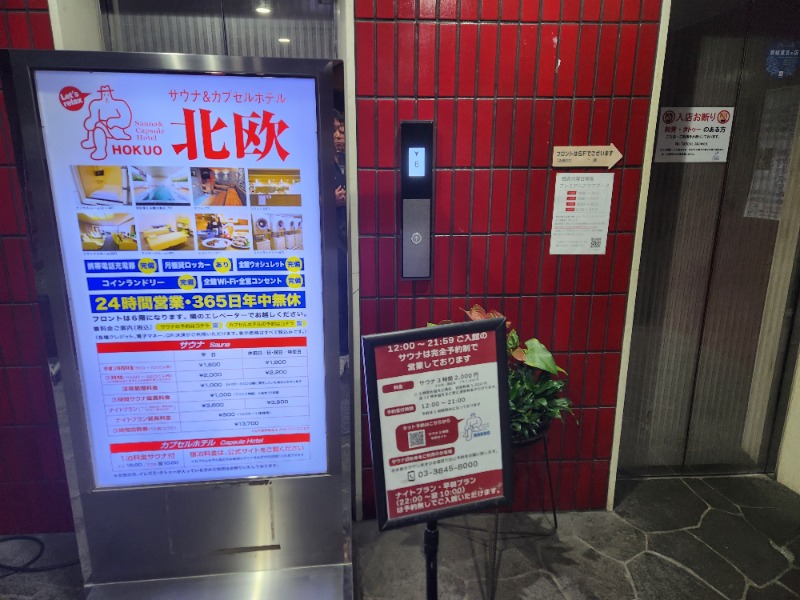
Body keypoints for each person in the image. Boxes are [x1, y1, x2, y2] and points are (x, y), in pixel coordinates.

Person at [333, 110, 349, 376]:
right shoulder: (323, 164)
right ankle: (340, 353)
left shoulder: (352, 161)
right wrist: (330, 200)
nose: (337, 136)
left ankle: (345, 352)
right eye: (333, 131)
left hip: (349, 240)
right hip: (333, 242)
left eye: (342, 131)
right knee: (338, 297)